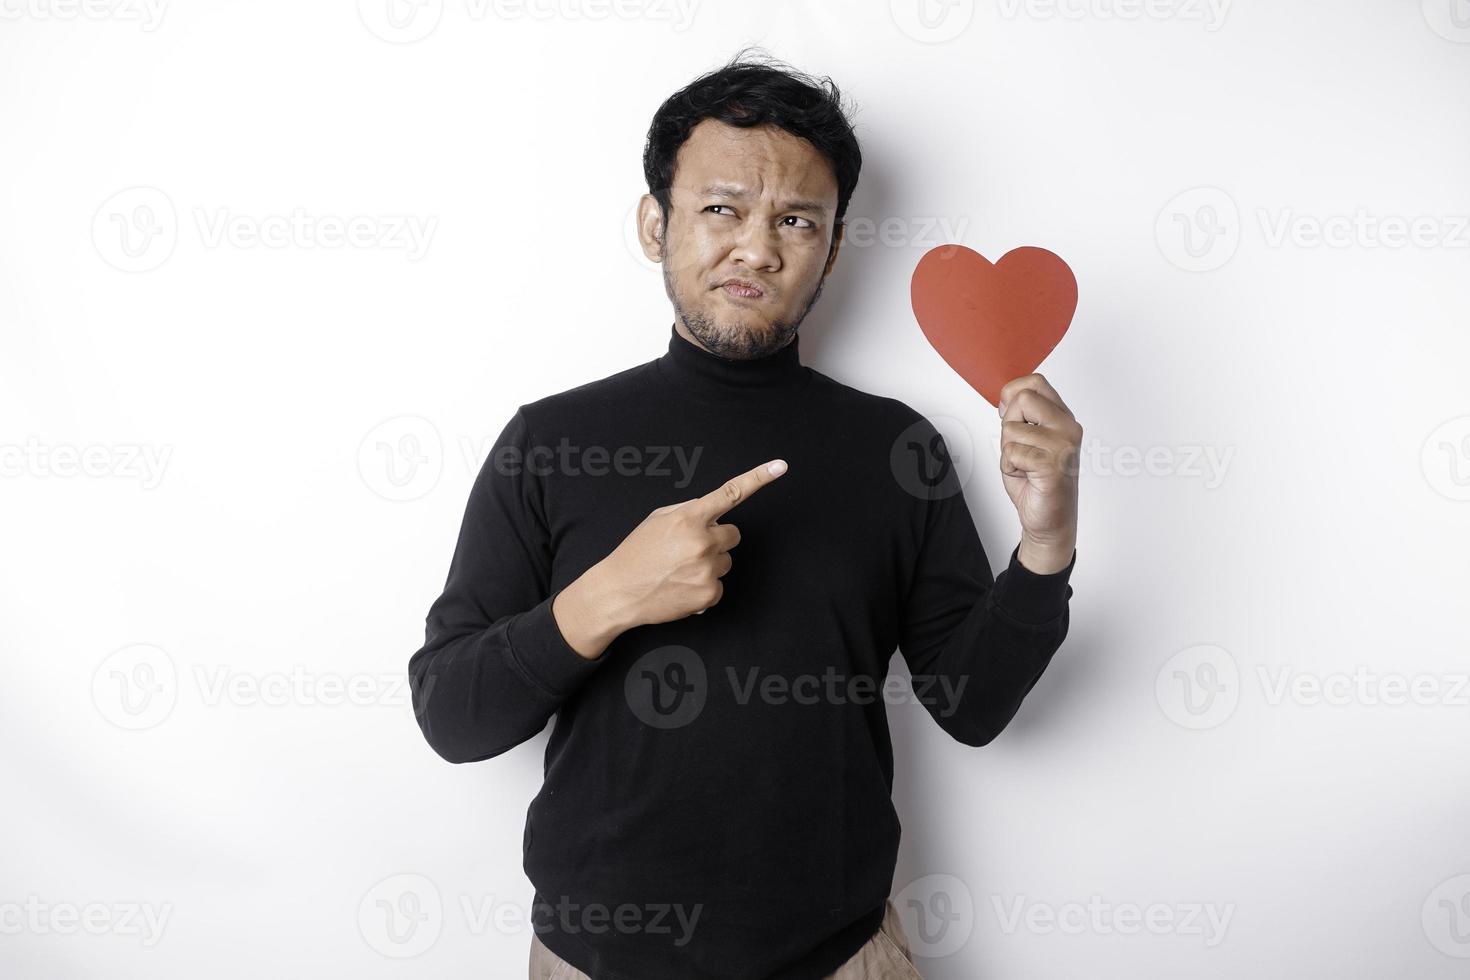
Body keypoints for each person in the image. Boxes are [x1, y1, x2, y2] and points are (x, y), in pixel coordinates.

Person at [408, 49, 1082, 980]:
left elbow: (970, 710)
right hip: (594, 961)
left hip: (841, 959)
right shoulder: (551, 441)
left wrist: (1045, 546)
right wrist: (608, 596)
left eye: (796, 220)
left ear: (833, 247)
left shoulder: (898, 448)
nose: (757, 248)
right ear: (656, 223)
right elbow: (452, 717)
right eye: (720, 208)